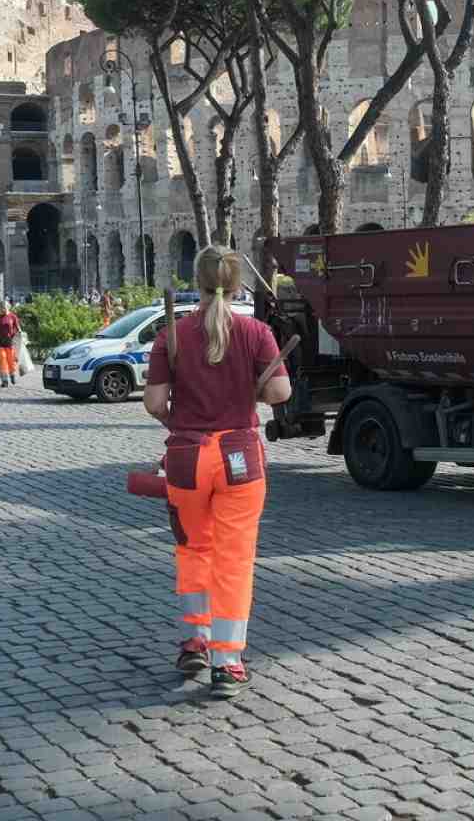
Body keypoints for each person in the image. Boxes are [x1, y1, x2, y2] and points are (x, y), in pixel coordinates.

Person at [143, 249, 292, 697]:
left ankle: (195, 641)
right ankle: (227, 663)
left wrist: (179, 422)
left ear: (198, 281)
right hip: (239, 458)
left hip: (187, 456)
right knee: (233, 560)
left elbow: (153, 403)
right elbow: (281, 392)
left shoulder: (172, 334)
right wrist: (254, 388)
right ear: (238, 283)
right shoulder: (256, 332)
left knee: (193, 550)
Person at [0, 302, 23, 387]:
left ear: (8, 307)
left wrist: (20, 334)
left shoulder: (13, 317)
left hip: (11, 343)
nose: (2, 308)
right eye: (1, 307)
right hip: (0, 343)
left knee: (11, 361)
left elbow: (18, 328)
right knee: (2, 361)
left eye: (4, 307)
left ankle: (12, 375)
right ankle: (4, 380)